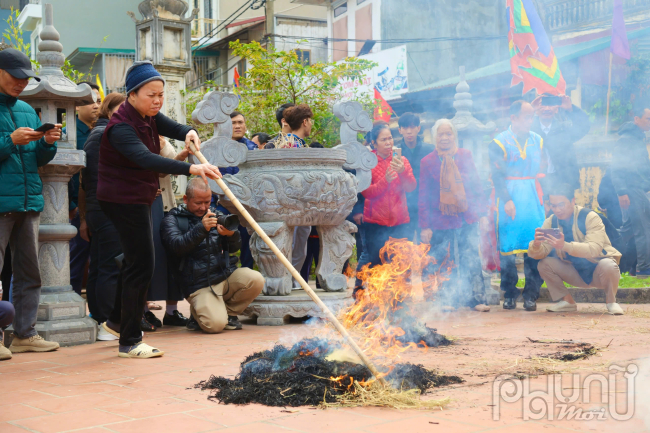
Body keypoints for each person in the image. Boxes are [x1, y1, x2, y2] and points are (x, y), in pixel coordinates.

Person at [96, 61, 221, 358]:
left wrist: (189, 131)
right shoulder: (121, 127)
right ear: (132, 94)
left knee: (133, 261)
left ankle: (115, 319)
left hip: (137, 196)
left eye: (161, 95)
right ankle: (129, 340)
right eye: (151, 95)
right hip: (121, 199)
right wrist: (193, 168)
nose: (157, 100)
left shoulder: (147, 114)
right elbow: (147, 160)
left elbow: (172, 126)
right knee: (143, 264)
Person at [0, 48, 62, 353]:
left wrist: (47, 144)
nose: (21, 83)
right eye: (16, 77)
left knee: (29, 272)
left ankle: (25, 334)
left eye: (26, 78)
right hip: (1, 204)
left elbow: (37, 159)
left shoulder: (26, 109)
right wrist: (9, 141)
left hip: (28, 201)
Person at [160, 178, 264, 333]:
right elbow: (176, 247)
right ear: (186, 199)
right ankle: (201, 315)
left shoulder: (215, 214)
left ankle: (227, 313)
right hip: (198, 284)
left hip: (223, 275)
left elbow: (234, 248)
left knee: (256, 279)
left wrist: (231, 235)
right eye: (198, 203)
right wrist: (201, 229)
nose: (203, 207)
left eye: (207, 202)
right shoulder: (172, 219)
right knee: (214, 326)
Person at [419, 119, 490, 311]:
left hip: (466, 215)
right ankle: (448, 299)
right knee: (443, 258)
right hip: (440, 217)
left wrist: (483, 214)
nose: (444, 137)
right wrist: (425, 225)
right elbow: (423, 195)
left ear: (454, 136)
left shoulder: (465, 156)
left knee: (470, 256)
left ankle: (477, 299)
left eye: (448, 134)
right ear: (435, 137)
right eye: (440, 134)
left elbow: (476, 185)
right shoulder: (427, 162)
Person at [529, 183, 624, 315]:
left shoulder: (590, 217)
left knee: (609, 264)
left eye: (561, 204)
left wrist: (564, 245)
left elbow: (594, 249)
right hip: (573, 271)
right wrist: (536, 245)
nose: (557, 210)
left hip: (598, 269)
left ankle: (611, 302)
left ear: (573, 201)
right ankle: (567, 302)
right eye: (553, 205)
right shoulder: (551, 221)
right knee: (544, 264)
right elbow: (540, 253)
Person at [489, 100, 545, 311]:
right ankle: (509, 293)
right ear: (513, 118)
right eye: (526, 117)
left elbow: (544, 168)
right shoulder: (498, 142)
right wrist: (507, 200)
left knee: (535, 244)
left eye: (532, 117)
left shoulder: (538, 140)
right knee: (508, 248)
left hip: (532, 194)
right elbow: (496, 174)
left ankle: (531, 293)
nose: (530, 121)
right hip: (508, 194)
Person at [80, 92, 126, 328]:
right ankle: (108, 321)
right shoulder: (106, 134)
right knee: (110, 267)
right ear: (109, 109)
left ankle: (99, 319)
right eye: (121, 108)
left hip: (99, 208)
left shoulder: (96, 133)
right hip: (108, 208)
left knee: (100, 265)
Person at [142, 136, 193, 331]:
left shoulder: (161, 137)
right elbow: (157, 167)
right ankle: (143, 310)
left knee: (173, 257)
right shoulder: (131, 135)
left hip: (166, 204)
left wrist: (177, 154)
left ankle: (172, 311)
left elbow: (167, 166)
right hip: (146, 203)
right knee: (147, 259)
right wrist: (179, 159)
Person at [361, 123, 416, 270]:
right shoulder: (367, 163)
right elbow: (366, 192)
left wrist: (403, 172)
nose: (388, 143)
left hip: (400, 223)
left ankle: (401, 294)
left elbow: (411, 187)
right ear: (374, 143)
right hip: (375, 223)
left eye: (390, 138)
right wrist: (385, 181)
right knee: (376, 266)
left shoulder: (402, 160)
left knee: (401, 266)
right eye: (383, 140)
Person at [610, 102, 650, 278]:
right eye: (648, 118)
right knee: (642, 230)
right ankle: (644, 268)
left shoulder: (638, 138)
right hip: (631, 190)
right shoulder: (625, 140)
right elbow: (617, 168)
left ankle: (603, 252)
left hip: (639, 189)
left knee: (626, 231)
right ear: (637, 119)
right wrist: (622, 192)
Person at [69, 81, 102, 295]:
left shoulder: (103, 133)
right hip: (72, 209)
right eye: (89, 101)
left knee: (100, 263)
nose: (95, 105)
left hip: (99, 207)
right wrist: (71, 206)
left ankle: (97, 312)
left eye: (99, 101)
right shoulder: (67, 134)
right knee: (75, 262)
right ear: (76, 106)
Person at [214, 111, 255, 269]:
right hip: (223, 204)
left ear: (245, 125)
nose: (237, 126)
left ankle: (248, 276)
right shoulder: (217, 148)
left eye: (240, 122)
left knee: (249, 243)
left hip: (247, 205)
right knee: (220, 241)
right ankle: (221, 275)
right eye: (233, 123)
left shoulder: (252, 149)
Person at [531, 94, 590, 195]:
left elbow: (584, 126)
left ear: (557, 109)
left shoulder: (564, 130)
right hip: (535, 181)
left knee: (561, 210)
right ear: (536, 110)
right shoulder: (528, 131)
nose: (547, 108)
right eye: (543, 105)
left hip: (561, 181)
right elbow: (513, 131)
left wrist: (571, 109)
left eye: (550, 105)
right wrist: (529, 109)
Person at [397, 112, 434, 242]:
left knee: (426, 246)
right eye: (405, 128)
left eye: (412, 127)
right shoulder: (395, 152)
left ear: (418, 128)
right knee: (404, 245)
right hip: (403, 204)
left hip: (425, 202)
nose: (409, 131)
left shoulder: (430, 150)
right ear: (399, 130)